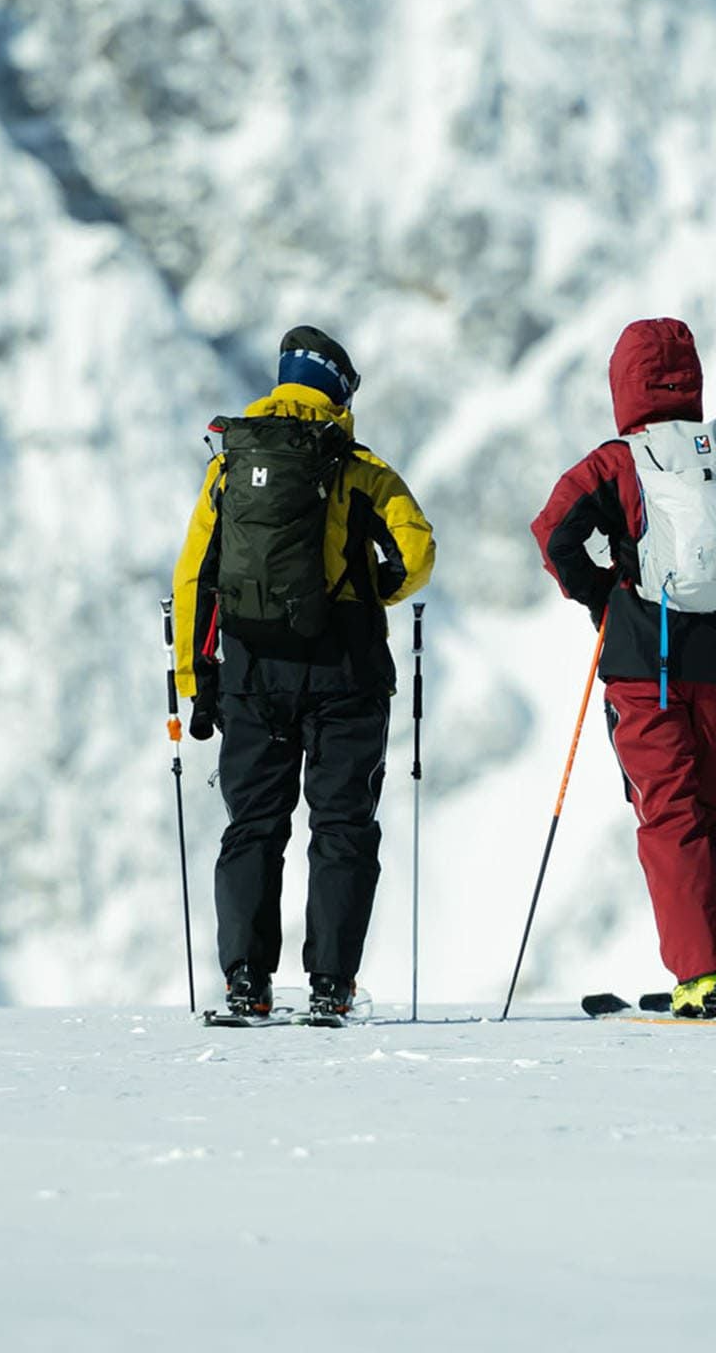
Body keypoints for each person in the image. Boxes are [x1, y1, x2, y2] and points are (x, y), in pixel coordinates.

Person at [531, 318, 716, 1018]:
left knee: (669, 817)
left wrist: (607, 598)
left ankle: (699, 977)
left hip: (644, 670)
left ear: (624, 384)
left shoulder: (615, 464)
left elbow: (555, 534)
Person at [172, 327, 435, 1021]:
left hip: (253, 670)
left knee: (253, 825)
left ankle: (245, 983)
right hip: (345, 668)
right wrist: (368, 589)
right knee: (341, 826)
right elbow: (417, 550)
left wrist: (196, 683)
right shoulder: (356, 466)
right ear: (339, 389)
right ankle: (329, 986)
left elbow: (195, 573)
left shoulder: (232, 464)